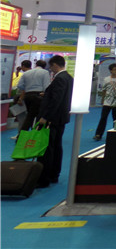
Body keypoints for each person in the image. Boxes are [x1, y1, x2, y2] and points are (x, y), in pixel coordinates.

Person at [36, 55, 73, 188]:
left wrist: (45, 117)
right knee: (56, 146)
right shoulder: (68, 77)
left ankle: (44, 178)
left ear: (55, 65)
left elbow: (56, 100)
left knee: (47, 148)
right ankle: (53, 174)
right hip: (61, 117)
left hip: (53, 118)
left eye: (51, 67)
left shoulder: (60, 79)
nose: (50, 69)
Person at [94, 63, 116, 140]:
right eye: (114, 69)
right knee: (103, 118)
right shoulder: (106, 79)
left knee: (115, 119)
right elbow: (104, 90)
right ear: (111, 71)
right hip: (107, 102)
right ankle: (98, 134)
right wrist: (102, 100)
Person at [16, 60, 50, 132]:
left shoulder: (26, 73)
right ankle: (31, 134)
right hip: (39, 95)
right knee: (37, 117)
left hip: (27, 95)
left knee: (30, 115)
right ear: (44, 66)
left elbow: (20, 85)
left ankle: (23, 134)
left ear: (36, 65)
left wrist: (28, 88)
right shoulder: (45, 72)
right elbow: (46, 86)